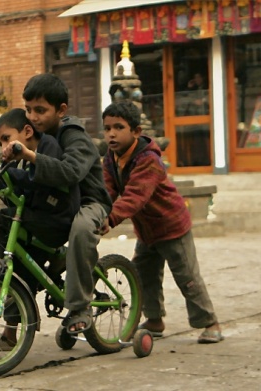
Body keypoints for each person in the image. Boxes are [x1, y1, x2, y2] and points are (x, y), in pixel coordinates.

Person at [100, 101, 223, 344]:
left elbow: (136, 195)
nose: (111, 134)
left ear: (136, 132)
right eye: (107, 128)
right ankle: (154, 320)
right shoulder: (111, 158)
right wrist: (99, 210)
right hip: (146, 230)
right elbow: (107, 190)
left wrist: (111, 218)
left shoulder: (148, 160)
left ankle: (210, 322)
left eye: (118, 127)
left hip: (171, 226)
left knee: (186, 276)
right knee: (144, 274)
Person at [1, 73, 112, 335]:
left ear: (61, 110)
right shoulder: (34, 135)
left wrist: (31, 156)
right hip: (55, 203)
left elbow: (71, 172)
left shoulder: (73, 136)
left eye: (40, 110)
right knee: (10, 225)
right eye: (28, 110)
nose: (33, 117)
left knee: (82, 229)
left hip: (88, 202)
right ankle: (10, 323)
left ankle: (79, 307)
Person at [0, 108, 80, 350]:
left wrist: (6, 174)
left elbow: (38, 179)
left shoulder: (48, 147)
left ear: (27, 131)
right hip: (35, 220)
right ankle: (9, 334)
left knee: (0, 222)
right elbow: (15, 196)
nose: (3, 146)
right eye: (0, 143)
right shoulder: (17, 159)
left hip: (57, 221)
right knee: (17, 266)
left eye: (6, 139)